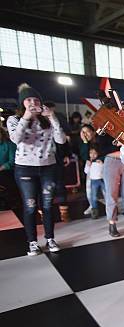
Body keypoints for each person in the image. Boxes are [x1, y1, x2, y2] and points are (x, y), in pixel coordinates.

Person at [7, 83, 67, 255]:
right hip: (25, 169)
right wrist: (26, 117)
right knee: (30, 206)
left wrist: (53, 117)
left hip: (48, 167)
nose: (32, 102)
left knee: (48, 205)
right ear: (22, 103)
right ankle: (32, 242)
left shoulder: (47, 119)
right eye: (28, 100)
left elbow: (61, 140)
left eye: (35, 99)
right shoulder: (15, 120)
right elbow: (15, 139)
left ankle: (50, 239)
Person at [98, 107, 124, 237]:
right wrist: (121, 146)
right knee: (111, 195)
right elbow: (102, 149)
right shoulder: (106, 128)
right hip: (112, 161)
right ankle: (112, 224)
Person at [84, 146, 105, 219]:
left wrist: (102, 164)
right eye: (91, 153)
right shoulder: (89, 162)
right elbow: (86, 171)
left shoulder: (100, 161)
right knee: (94, 196)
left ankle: (112, 209)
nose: (92, 155)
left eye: (94, 153)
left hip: (102, 179)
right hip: (94, 180)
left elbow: (104, 170)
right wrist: (88, 165)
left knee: (107, 194)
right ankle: (94, 212)